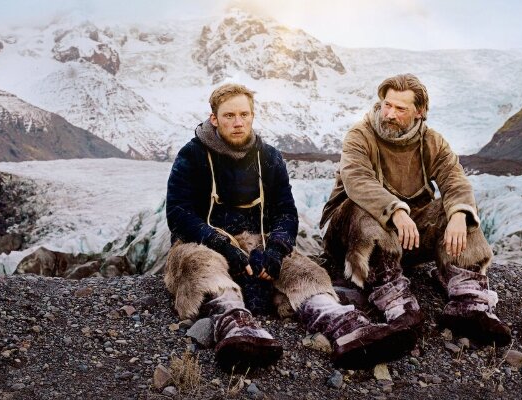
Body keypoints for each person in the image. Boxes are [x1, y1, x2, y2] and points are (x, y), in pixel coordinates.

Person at [164, 83, 416, 372]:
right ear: (214, 118)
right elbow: (179, 213)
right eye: (229, 115)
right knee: (203, 266)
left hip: (259, 242)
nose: (238, 122)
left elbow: (286, 211)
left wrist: (275, 249)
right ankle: (236, 328)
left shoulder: (268, 157)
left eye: (244, 114)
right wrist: (221, 245)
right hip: (204, 243)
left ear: (253, 115)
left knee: (302, 270)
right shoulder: (192, 155)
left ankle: (346, 326)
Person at [320, 74, 511, 346]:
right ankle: (397, 304)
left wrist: (458, 214)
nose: (389, 114)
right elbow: (357, 180)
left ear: (420, 112)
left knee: (459, 213)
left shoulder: (432, 142)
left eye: (400, 109)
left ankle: (469, 301)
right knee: (361, 208)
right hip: (353, 236)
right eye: (387, 105)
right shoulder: (360, 135)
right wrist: (396, 211)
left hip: (407, 240)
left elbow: (454, 178)